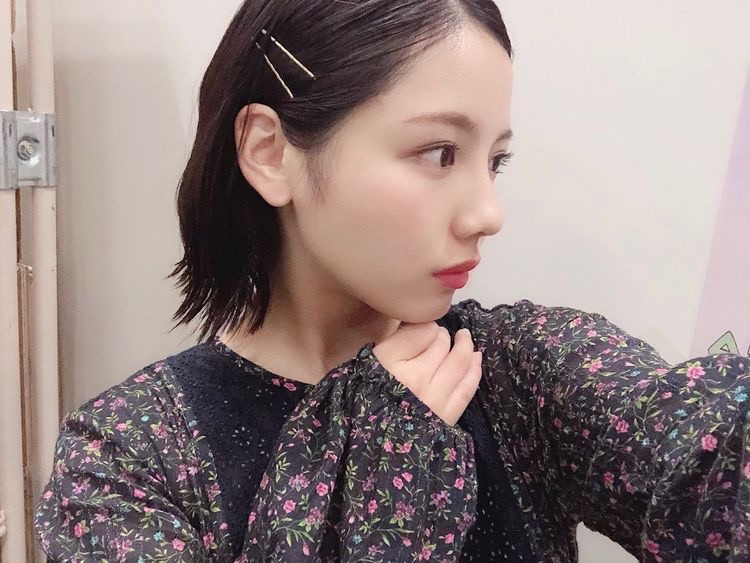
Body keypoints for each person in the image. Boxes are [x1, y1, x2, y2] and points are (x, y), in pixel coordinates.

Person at [34, 1, 750, 561]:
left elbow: (700, 461)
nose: (488, 213)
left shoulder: (521, 371)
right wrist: (387, 485)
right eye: (439, 152)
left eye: (494, 161)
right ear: (271, 152)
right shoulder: (130, 454)